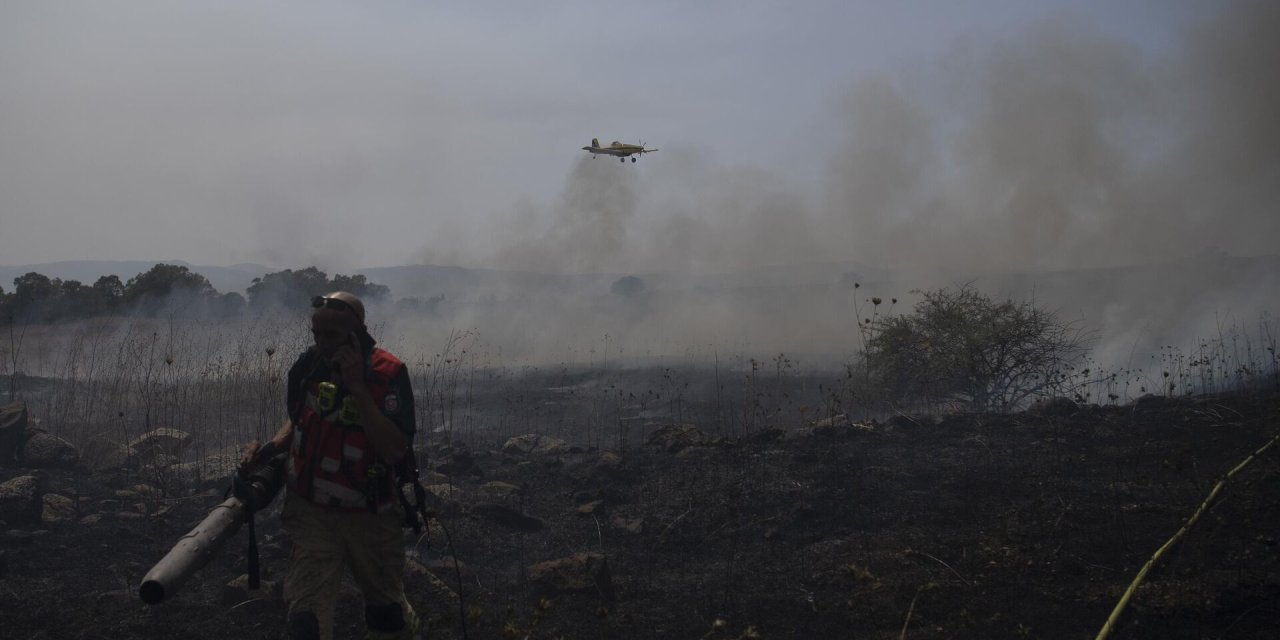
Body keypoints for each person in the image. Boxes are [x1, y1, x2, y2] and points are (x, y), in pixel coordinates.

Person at [241, 291, 420, 640]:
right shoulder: (308, 367)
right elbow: (298, 419)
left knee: (386, 616)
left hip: (370, 515)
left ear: (356, 333)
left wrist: (356, 387)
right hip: (312, 514)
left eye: (332, 335)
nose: (322, 343)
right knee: (306, 621)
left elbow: (395, 449)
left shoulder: (388, 374)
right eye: (316, 334)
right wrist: (271, 447)